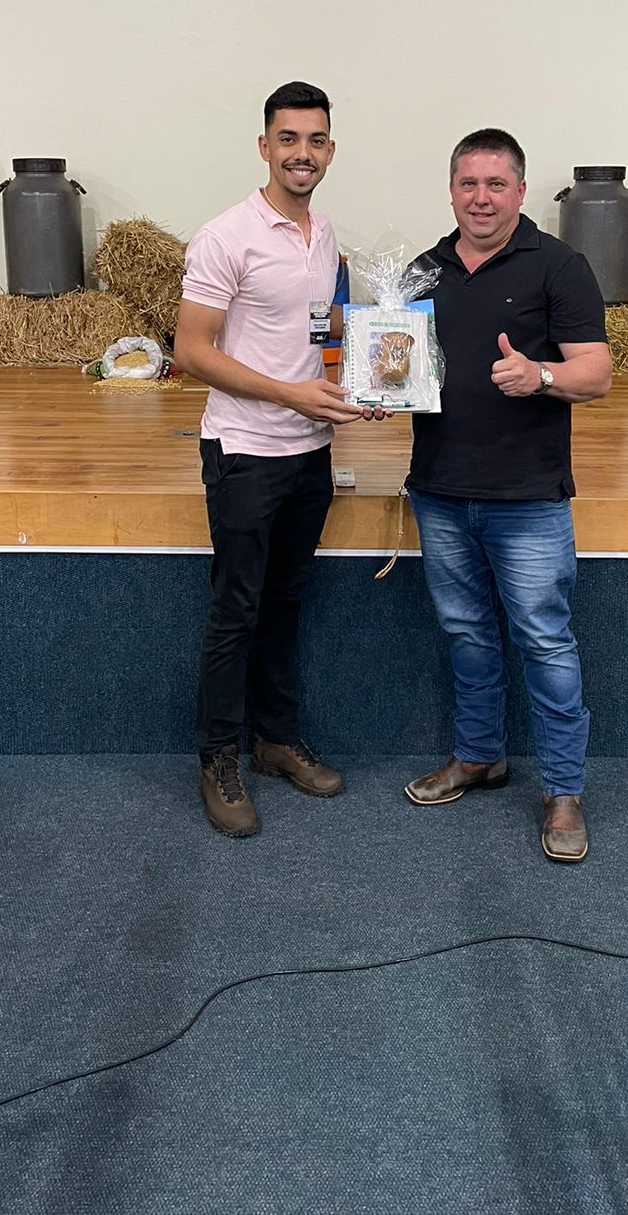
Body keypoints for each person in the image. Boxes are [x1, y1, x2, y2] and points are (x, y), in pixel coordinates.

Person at [403, 128, 612, 861]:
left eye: (496, 184)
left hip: (527, 499)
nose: (482, 198)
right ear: (451, 191)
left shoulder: (560, 265)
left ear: (521, 192)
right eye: (469, 183)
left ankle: (563, 792)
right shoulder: (422, 271)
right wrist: (380, 390)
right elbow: (397, 360)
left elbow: (597, 373)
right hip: (439, 490)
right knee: (466, 634)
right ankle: (479, 756)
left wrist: (540, 375)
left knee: (545, 641)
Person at [175, 81, 374, 839]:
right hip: (246, 452)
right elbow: (192, 351)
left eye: (316, 140)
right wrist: (291, 395)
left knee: (286, 602)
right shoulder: (225, 236)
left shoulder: (323, 236)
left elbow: (318, 329)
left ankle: (276, 739)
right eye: (288, 139)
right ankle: (217, 758)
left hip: (309, 451)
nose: (302, 153)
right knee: (236, 611)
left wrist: (366, 372)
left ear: (331, 150)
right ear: (264, 147)